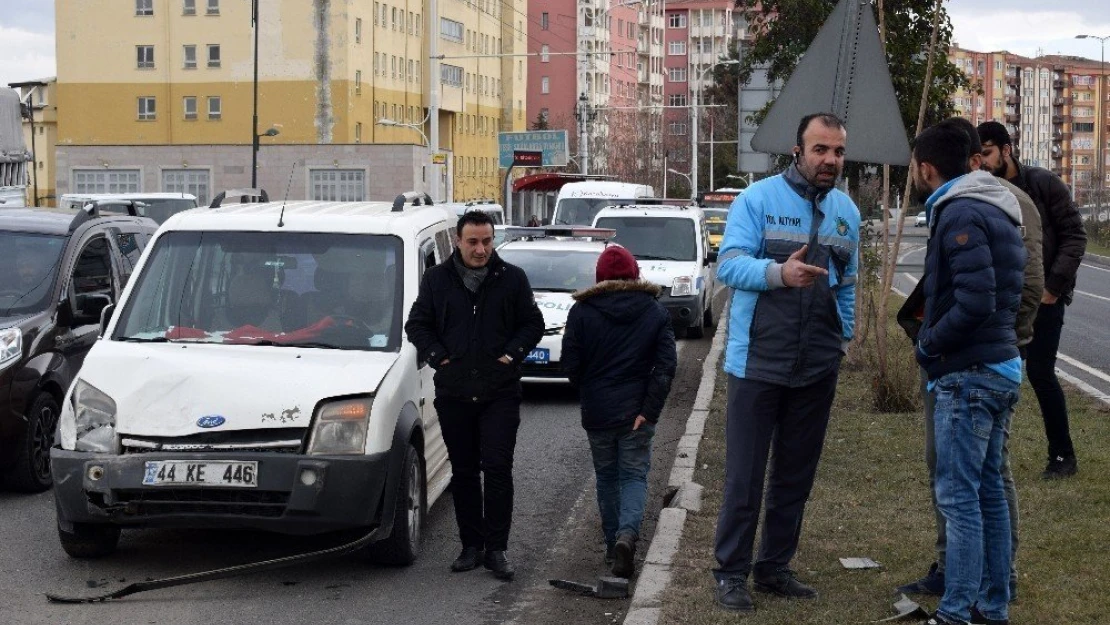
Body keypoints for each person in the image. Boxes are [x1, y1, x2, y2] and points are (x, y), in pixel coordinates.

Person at [712, 112, 859, 614]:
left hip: (817, 366)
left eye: (837, 151)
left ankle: (774, 568)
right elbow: (728, 264)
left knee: (795, 476)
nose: (830, 160)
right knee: (745, 476)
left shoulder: (846, 212)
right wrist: (779, 272)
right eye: (820, 149)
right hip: (757, 363)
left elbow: (849, 281)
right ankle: (731, 573)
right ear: (798, 150)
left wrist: (844, 337)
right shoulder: (757, 200)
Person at [896, 117, 1044, 601]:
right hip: (1000, 362)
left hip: (970, 371)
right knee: (989, 493)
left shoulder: (961, 213)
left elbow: (975, 300)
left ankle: (958, 608)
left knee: (960, 499)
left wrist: (929, 342)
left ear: (926, 168)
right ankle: (994, 603)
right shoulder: (998, 206)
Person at [405, 210, 544, 580]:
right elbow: (417, 324)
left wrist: (511, 354)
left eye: (486, 241)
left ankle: (497, 549)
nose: (481, 249)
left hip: (500, 392)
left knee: (497, 469)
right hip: (454, 392)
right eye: (473, 242)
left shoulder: (512, 278)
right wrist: (439, 358)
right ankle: (471, 546)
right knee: (464, 473)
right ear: (458, 242)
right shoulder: (436, 280)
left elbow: (533, 323)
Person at [978, 120, 1087, 479]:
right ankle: (990, 457)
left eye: (988, 153)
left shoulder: (1043, 184)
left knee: (1040, 372)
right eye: (978, 156)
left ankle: (1062, 456)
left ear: (1006, 150)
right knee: (994, 373)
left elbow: (1074, 236)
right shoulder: (985, 190)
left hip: (1045, 298)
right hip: (1003, 298)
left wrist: (1052, 288)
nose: (983, 161)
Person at [561, 245, 677, 579]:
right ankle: (628, 536)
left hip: (598, 412)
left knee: (607, 477)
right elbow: (666, 367)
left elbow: (571, 365)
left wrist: (591, 390)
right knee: (634, 476)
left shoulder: (582, 312)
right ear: (634, 273)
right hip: (637, 413)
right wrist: (649, 410)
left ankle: (613, 545)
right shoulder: (654, 311)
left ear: (599, 277)